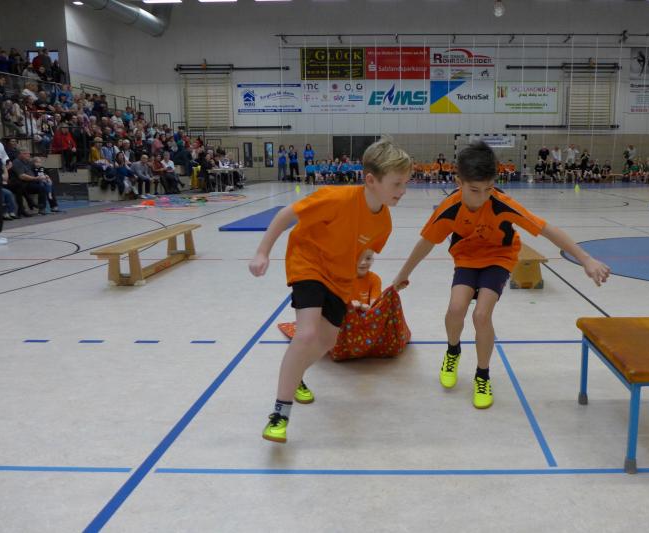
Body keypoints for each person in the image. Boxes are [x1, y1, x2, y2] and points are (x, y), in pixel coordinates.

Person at [392, 141, 610, 409]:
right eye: (474, 190)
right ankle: (453, 351)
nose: (482, 197)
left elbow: (546, 229)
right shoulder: (449, 208)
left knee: (481, 315)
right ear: (459, 182)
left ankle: (482, 375)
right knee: (456, 309)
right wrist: (402, 276)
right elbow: (425, 244)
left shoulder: (501, 204)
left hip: (499, 257)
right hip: (467, 258)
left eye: (488, 189)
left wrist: (586, 259)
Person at [249, 137, 412, 443]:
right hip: (309, 263)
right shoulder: (337, 198)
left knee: (327, 341)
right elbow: (286, 214)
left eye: (405, 183)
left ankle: (295, 372)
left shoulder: (385, 223)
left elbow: (363, 252)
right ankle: (280, 414)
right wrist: (262, 252)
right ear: (371, 180)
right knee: (307, 333)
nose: (403, 190)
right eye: (397, 183)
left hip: (340, 278)